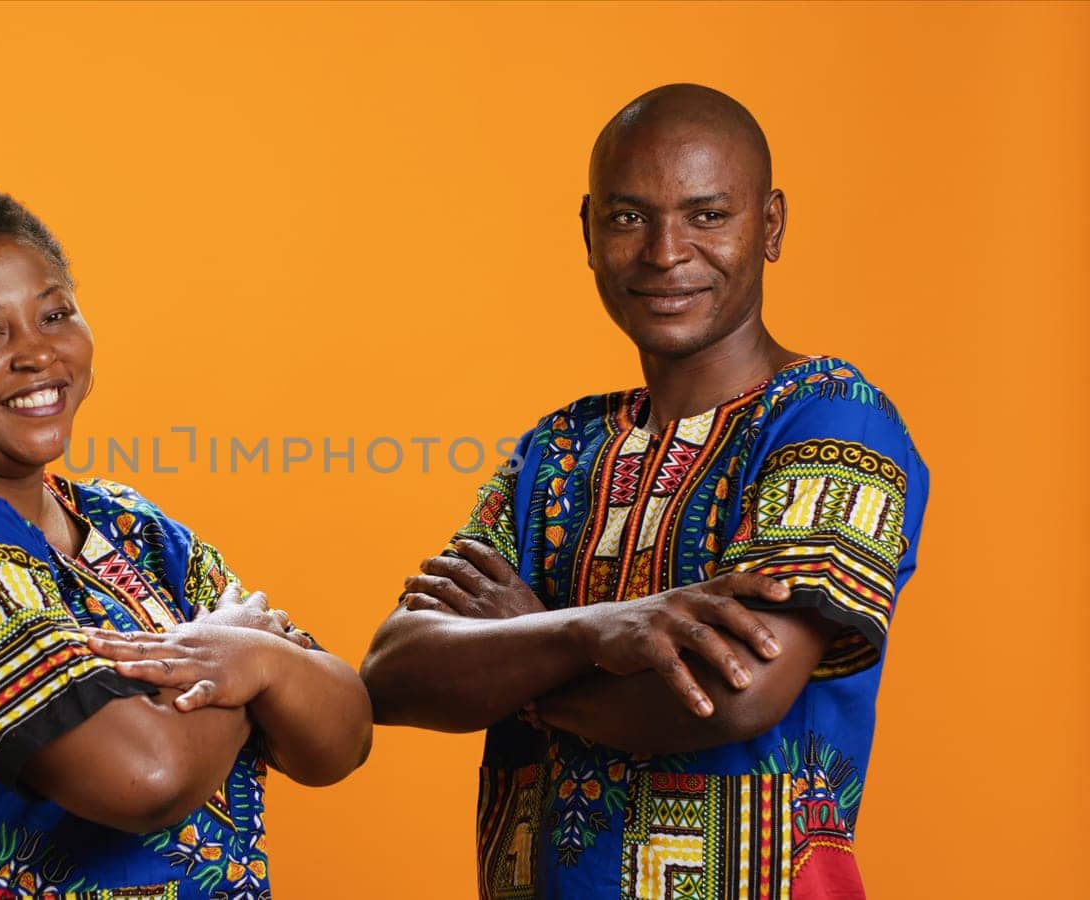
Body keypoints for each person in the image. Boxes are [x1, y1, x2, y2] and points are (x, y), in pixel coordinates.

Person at [361, 84, 928, 899]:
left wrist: (523, 646)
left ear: (768, 225)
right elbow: (394, 673)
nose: (665, 253)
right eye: (629, 217)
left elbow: (731, 698)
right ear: (588, 230)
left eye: (706, 216)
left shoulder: (833, 421)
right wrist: (597, 631)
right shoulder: (557, 448)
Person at [0, 185, 371, 900]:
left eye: (56, 313)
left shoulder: (130, 525)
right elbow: (145, 777)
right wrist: (248, 664)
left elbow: (340, 737)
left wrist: (253, 657)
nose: (37, 353)